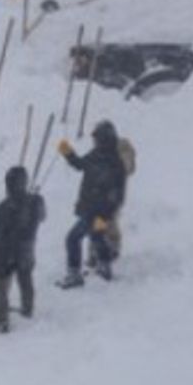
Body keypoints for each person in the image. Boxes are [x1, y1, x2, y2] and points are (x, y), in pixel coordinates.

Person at [56, 121, 127, 288]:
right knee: (97, 237)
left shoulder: (112, 162)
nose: (94, 142)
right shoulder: (100, 156)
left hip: (94, 211)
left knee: (72, 239)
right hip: (99, 211)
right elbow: (80, 165)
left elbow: (118, 192)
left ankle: (74, 274)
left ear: (104, 140)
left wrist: (107, 208)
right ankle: (104, 266)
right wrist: (67, 152)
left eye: (97, 139)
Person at [0, 167, 46, 334]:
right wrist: (35, 199)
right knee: (25, 278)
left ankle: (1, 320)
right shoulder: (36, 201)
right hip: (27, 249)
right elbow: (42, 216)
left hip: (6, 252)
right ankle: (27, 308)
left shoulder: (4, 207)